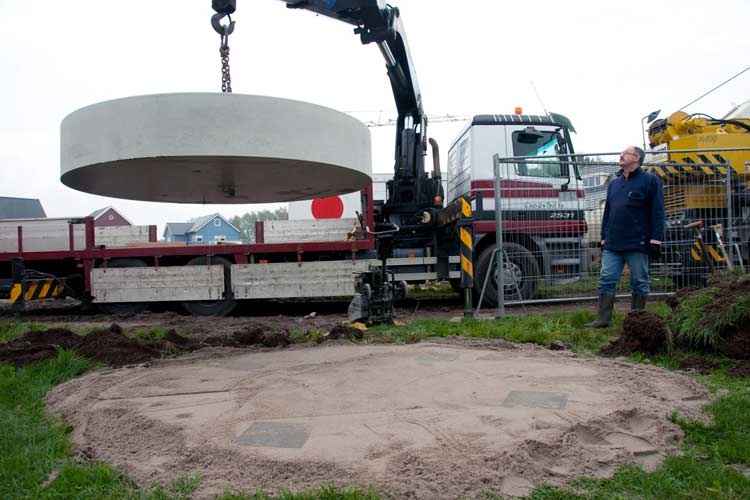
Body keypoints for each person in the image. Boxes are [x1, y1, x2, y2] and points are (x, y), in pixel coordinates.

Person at [586, 145, 664, 328]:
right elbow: (608, 212)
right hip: (613, 243)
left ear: (636, 158)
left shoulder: (650, 181)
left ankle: (637, 320)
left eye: (625, 153)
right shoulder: (615, 183)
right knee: (606, 278)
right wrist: (604, 238)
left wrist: (655, 239)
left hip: (638, 242)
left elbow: (658, 212)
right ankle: (603, 319)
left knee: (639, 280)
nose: (620, 156)